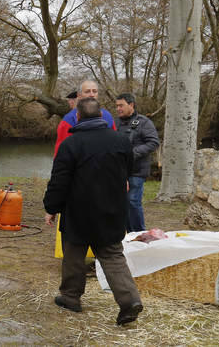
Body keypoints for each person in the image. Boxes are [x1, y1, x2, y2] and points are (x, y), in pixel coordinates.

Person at [44, 98, 143, 325]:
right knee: (112, 255)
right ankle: (129, 301)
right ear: (101, 116)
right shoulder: (121, 141)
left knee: (74, 254)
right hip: (112, 209)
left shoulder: (71, 144)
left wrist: (51, 208)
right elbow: (127, 171)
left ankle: (70, 297)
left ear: (78, 117)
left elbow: (59, 181)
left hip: (78, 211)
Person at [115, 93, 160, 233]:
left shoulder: (144, 122)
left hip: (136, 171)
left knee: (133, 202)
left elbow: (153, 142)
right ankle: (129, 235)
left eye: (121, 105)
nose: (118, 109)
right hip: (118, 170)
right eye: (116, 106)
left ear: (131, 105)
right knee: (121, 204)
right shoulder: (115, 123)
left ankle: (140, 233)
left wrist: (132, 153)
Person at [55, 80, 116, 157]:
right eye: (87, 92)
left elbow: (115, 143)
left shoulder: (108, 116)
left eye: (94, 91)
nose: (92, 95)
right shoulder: (68, 120)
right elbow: (61, 153)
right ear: (79, 95)